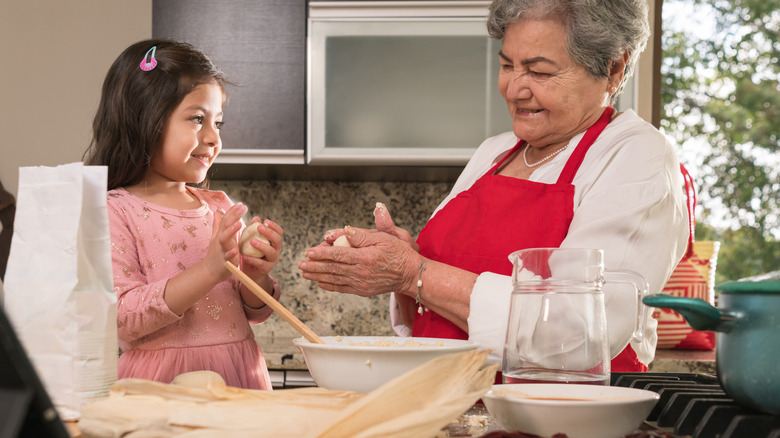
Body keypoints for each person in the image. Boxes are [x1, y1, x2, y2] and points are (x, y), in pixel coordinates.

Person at [298, 0, 689, 373]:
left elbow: (578, 331)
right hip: (453, 408)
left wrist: (413, 273)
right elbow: (434, 302)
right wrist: (404, 263)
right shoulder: (493, 152)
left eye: (539, 72)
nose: (513, 88)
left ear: (613, 68)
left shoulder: (637, 156)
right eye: (507, 65)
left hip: (555, 417)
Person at [83, 39, 284, 389]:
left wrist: (255, 275)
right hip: (161, 385)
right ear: (145, 119)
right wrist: (209, 270)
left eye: (217, 123)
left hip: (240, 377)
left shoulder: (218, 207)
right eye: (197, 119)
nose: (213, 138)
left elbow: (257, 311)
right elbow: (124, 317)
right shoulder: (115, 211)